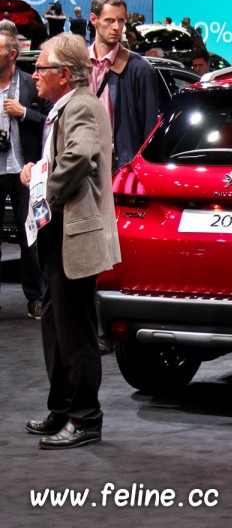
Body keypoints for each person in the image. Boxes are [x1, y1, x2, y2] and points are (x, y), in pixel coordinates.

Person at [21, 32, 121, 449]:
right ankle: (62, 408)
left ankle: (85, 419)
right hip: (57, 232)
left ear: (64, 74)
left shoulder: (81, 105)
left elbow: (79, 158)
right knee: (56, 327)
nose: (34, 76)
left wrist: (44, 189)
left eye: (41, 68)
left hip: (73, 232)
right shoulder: (65, 106)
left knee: (76, 331)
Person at [0, 31, 51, 320]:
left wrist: (23, 113)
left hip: (24, 172)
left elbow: (50, 121)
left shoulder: (31, 85)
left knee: (29, 241)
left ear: (12, 54)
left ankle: (36, 299)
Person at [88, 0, 162, 173]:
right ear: (93, 19)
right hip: (83, 162)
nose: (116, 27)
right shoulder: (78, 65)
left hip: (121, 166)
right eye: (109, 21)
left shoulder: (139, 68)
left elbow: (149, 128)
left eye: (121, 21)